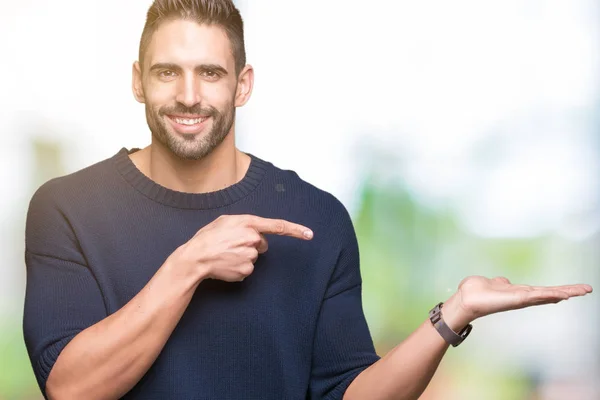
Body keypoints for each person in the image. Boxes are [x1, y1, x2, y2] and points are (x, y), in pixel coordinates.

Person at [22, 1, 592, 399]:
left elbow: (351, 394)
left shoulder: (315, 218)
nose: (189, 95)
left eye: (210, 73)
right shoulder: (67, 209)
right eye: (168, 72)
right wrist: (190, 263)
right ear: (138, 81)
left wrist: (451, 318)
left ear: (242, 84)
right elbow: (72, 388)